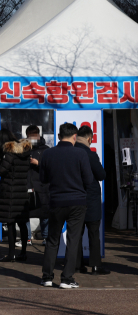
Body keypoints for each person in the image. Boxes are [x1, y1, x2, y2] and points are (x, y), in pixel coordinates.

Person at [40, 122, 93, 289]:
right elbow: (89, 180)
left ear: (58, 136)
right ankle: (67, 278)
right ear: (75, 137)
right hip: (77, 202)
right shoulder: (81, 153)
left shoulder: (48, 154)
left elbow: (43, 179)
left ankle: (47, 277)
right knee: (73, 240)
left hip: (56, 201)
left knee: (52, 239)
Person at [74, 125, 110, 275]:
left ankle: (77, 265)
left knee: (76, 233)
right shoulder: (90, 155)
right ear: (89, 138)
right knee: (94, 233)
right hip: (91, 199)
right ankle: (96, 266)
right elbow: (101, 175)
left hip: (75, 197)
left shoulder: (71, 152)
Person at [0, 129, 32, 262]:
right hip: (21, 191)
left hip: (10, 192)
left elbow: (1, 171)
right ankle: (23, 252)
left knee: (10, 223)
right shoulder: (25, 152)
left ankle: (11, 254)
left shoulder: (9, 154)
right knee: (22, 223)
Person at [26, 125, 50, 246]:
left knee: (44, 212)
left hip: (42, 185)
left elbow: (51, 167)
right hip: (28, 184)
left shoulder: (46, 150)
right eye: (29, 136)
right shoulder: (24, 149)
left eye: (34, 135)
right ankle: (27, 237)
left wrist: (38, 163)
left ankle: (46, 236)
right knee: (26, 212)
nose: (32, 138)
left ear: (39, 135)